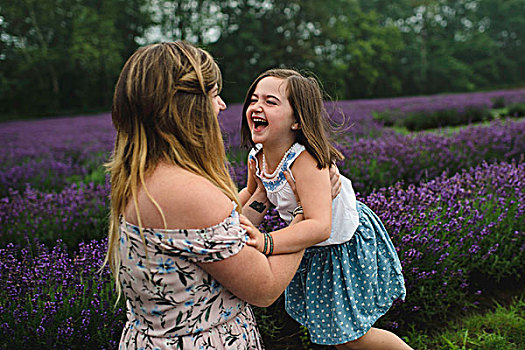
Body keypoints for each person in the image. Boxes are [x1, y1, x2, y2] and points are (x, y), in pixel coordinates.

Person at [104, 42, 310, 349]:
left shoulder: (143, 176)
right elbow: (265, 288)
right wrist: (306, 215)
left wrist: (259, 195)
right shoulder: (186, 192)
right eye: (214, 95)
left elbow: (217, 239)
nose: (223, 106)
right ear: (187, 107)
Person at [238, 68, 411, 349]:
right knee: (335, 334)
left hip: (341, 247)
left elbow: (320, 226)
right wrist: (228, 224)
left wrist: (266, 242)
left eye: (270, 102)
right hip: (313, 246)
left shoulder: (305, 161)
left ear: (297, 120)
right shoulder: (257, 156)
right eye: (254, 99)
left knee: (352, 336)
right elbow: (256, 194)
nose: (257, 107)